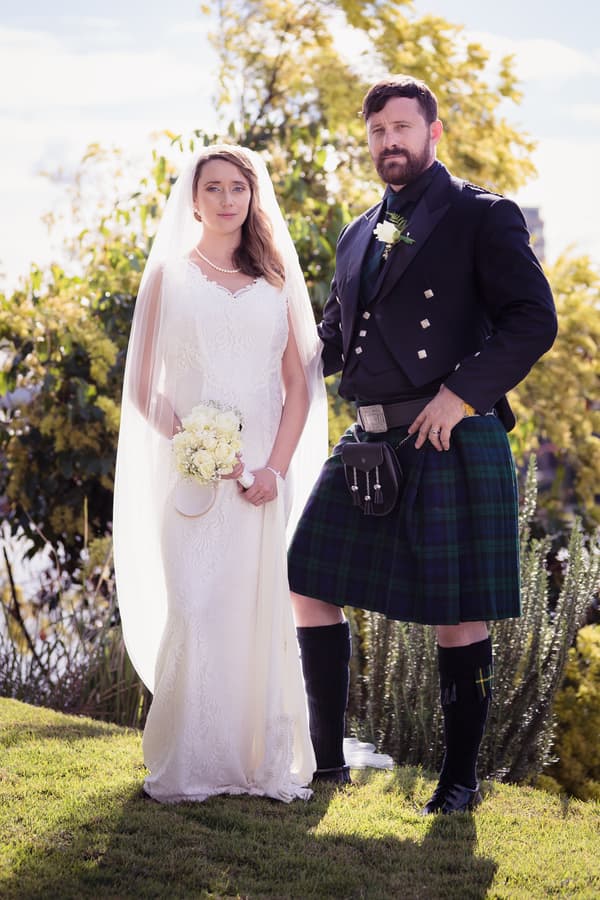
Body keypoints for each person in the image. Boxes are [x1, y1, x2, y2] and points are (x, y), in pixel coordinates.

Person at [287, 75, 558, 812]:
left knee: (458, 612)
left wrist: (462, 392)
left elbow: (534, 320)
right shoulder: (357, 229)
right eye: (378, 132)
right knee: (307, 580)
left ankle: (460, 780)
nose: (389, 143)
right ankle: (328, 763)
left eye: (402, 128)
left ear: (434, 132)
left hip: (448, 438)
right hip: (369, 438)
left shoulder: (482, 216)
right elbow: (335, 338)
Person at [113, 144, 328, 803]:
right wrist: (194, 442)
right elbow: (143, 387)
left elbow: (299, 388)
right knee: (197, 605)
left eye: (239, 187)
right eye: (215, 187)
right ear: (195, 197)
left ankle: (254, 762)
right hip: (196, 475)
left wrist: (274, 470)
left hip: (264, 474)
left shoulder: (275, 281)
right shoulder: (168, 278)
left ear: (252, 196)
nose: (228, 199)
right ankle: (190, 763)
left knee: (253, 613)